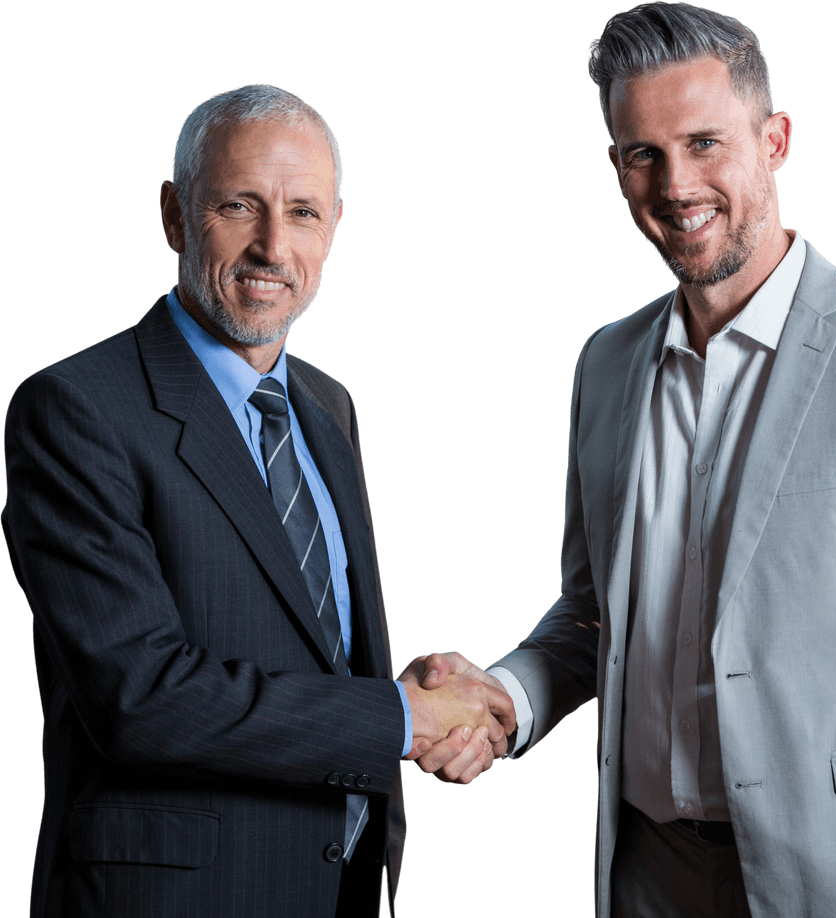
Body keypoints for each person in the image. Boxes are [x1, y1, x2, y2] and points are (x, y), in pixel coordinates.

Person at [410, 4, 836, 917]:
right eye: (643, 153)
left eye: (704, 143)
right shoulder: (605, 364)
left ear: (776, 141)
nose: (677, 183)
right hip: (650, 878)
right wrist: (505, 701)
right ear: (616, 169)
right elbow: (592, 619)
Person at [1, 83, 513, 918]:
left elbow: (303, 652)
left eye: (304, 212)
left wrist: (408, 697)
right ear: (175, 215)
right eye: (241, 206)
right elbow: (142, 696)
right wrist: (397, 717)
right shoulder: (75, 408)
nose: (274, 245)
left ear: (336, 227)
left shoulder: (328, 406)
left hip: (336, 885)